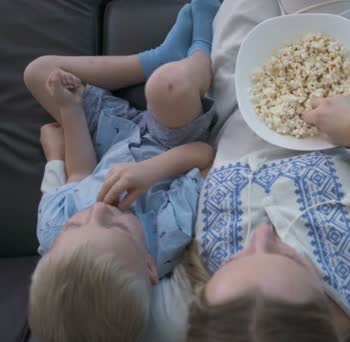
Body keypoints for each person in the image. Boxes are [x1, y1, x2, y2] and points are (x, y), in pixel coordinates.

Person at [183, 0, 350, 341]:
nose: (261, 236)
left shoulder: (213, 308)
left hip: (241, 98)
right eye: (291, 257)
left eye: (236, 260)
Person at [24, 1, 219, 341]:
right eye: (117, 225)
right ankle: (202, 46)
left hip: (109, 135)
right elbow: (204, 156)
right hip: (167, 140)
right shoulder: (166, 237)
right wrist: (150, 170)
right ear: (149, 267)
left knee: (39, 71)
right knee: (169, 87)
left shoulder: (53, 227)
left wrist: (70, 111)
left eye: (77, 222)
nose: (98, 210)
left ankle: (156, 58)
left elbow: (80, 171)